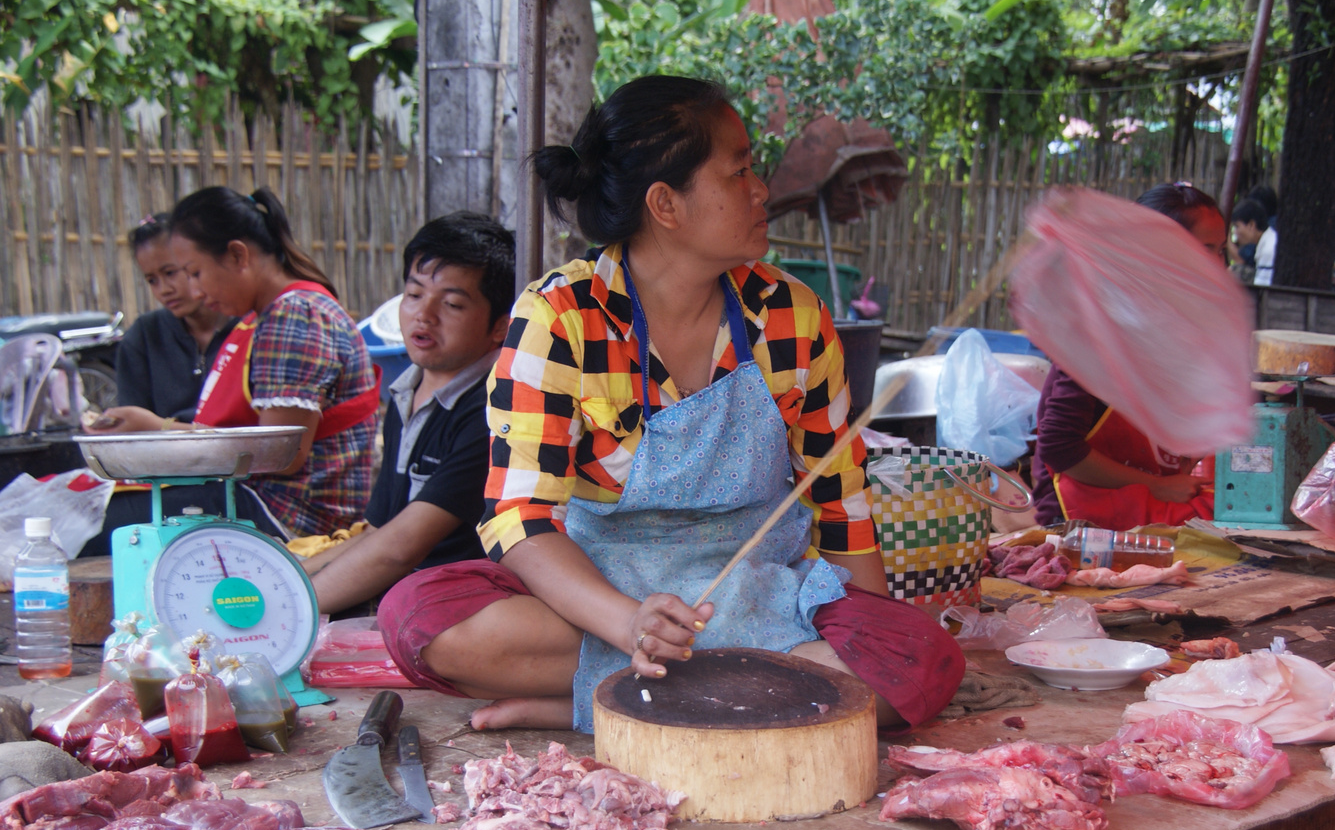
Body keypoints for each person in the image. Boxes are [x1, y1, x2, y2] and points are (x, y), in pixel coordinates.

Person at [376, 75, 964, 733]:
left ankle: (600, 703)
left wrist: (874, 637)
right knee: (418, 619)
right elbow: (518, 517)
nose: (760, 189)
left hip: (761, 594)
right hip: (598, 599)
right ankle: (712, 694)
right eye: (738, 171)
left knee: (921, 660)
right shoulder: (560, 318)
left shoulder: (790, 316)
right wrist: (626, 622)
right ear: (665, 204)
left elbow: (839, 502)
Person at [83, 187, 377, 549]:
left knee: (92, 524)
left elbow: (281, 456)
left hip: (290, 515)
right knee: (88, 508)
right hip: (252, 495)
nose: (195, 289)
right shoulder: (271, 315)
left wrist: (158, 428)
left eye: (195, 272)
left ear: (238, 255)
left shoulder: (296, 315)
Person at [305, 213, 515, 614]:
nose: (424, 315)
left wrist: (290, 606)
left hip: (459, 608)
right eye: (415, 294)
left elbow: (400, 547)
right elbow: (379, 530)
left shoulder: (494, 409)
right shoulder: (407, 391)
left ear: (500, 327)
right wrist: (291, 574)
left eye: (452, 303)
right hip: (397, 595)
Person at [1030, 182, 1223, 532]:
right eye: (1206, 250)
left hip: (1155, 498)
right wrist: (1157, 485)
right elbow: (1059, 448)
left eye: (1220, 251)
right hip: (1081, 513)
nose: (1219, 265)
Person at [97, 214, 235, 426]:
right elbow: (133, 425)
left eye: (170, 272)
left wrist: (160, 426)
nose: (164, 290)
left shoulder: (246, 329)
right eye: (152, 280)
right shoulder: (145, 335)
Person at [1232, 198, 1276, 286]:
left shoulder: (1268, 250)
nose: (1235, 232)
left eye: (1237, 226)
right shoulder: (1266, 242)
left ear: (1251, 225)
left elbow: (1263, 289)